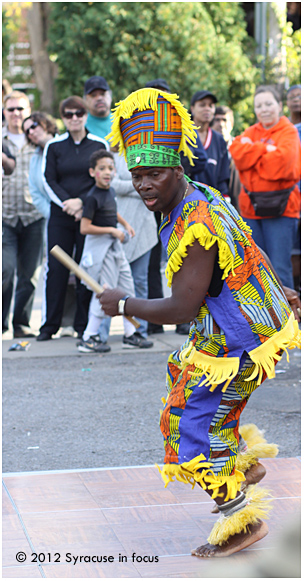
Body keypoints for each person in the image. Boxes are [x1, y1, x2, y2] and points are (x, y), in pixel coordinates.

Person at [97, 87, 301, 558]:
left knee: (184, 425)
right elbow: (249, 245)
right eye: (138, 176)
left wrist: (124, 304)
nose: (144, 185)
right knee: (185, 387)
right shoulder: (199, 195)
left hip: (241, 344)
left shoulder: (197, 220)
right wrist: (280, 287)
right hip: (241, 331)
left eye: (154, 175)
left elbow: (183, 309)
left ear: (177, 169)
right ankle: (238, 464)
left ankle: (239, 520)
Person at [37, 96, 109, 341]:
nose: (75, 118)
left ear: (86, 114)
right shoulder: (54, 146)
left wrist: (82, 204)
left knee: (85, 268)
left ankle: (83, 325)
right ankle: (50, 326)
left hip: (88, 215)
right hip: (61, 215)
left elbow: (102, 178)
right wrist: (69, 204)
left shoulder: (98, 143)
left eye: (79, 113)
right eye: (68, 114)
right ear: (63, 118)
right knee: (56, 269)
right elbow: (48, 180)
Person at [229, 85, 301, 289]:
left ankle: (288, 318)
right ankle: (262, 318)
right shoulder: (251, 131)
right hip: (251, 209)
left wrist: (252, 157)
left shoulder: (288, 132)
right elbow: (237, 153)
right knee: (254, 267)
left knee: (279, 267)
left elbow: (282, 166)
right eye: (259, 105)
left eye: (269, 103)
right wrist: (265, 150)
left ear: (279, 105)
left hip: (282, 208)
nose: (264, 109)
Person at [78, 150, 140, 352]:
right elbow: (84, 227)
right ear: (92, 172)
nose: (107, 172)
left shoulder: (110, 191)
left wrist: (124, 223)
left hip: (115, 247)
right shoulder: (91, 197)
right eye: (102, 168)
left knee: (127, 287)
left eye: (111, 168)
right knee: (104, 293)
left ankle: (130, 334)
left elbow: (113, 211)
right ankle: (89, 337)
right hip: (100, 249)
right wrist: (112, 230)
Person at [2, 91, 45, 338]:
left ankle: (21, 325)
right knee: (5, 270)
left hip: (33, 216)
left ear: (28, 111)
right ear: (4, 112)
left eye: (21, 109)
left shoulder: (38, 140)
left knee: (29, 274)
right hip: (5, 217)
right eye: (11, 109)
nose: (16, 114)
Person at [112, 150, 156, 347]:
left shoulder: (149, 155)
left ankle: (139, 331)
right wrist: (138, 187)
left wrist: (130, 187)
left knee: (140, 282)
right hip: (118, 223)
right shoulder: (111, 156)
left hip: (145, 226)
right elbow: (111, 185)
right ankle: (97, 333)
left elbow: (154, 188)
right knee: (111, 282)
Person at [190, 90, 230, 199]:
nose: (207, 108)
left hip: (212, 203)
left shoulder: (218, 139)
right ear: (192, 109)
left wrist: (225, 199)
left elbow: (223, 175)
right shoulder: (183, 136)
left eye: (211, 105)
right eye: (202, 105)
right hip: (186, 201)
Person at [211, 105, 242, 210]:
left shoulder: (242, 148)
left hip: (240, 211)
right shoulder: (204, 150)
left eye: (225, 120)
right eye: (217, 120)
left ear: (232, 124)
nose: (221, 124)